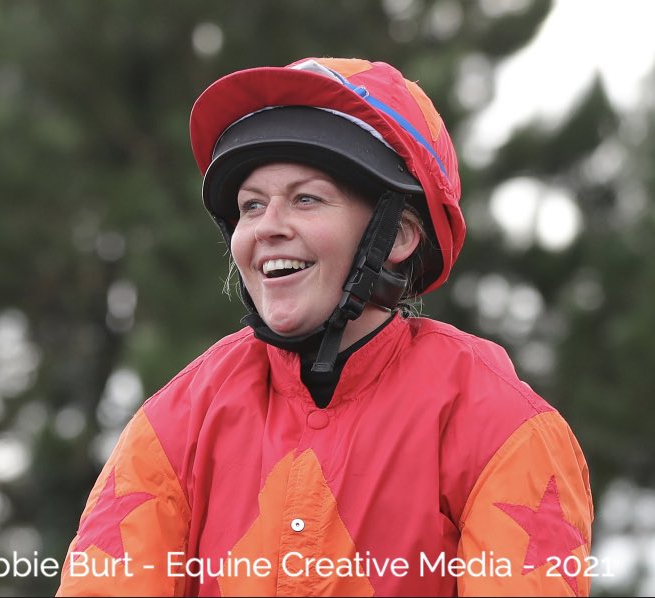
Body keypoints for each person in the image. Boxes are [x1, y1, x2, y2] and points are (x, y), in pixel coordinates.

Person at [56, 57, 593, 597]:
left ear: (399, 236)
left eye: (306, 198)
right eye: (251, 205)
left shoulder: (502, 425)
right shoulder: (176, 422)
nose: (266, 228)